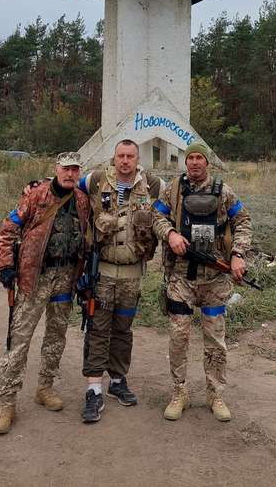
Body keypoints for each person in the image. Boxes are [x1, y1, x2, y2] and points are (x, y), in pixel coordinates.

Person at [152, 142, 252, 422]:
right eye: (190, 158)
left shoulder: (224, 191)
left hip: (215, 279)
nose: (194, 163)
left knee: (215, 340)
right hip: (181, 277)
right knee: (178, 336)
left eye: (199, 158)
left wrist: (238, 255)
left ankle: (214, 393)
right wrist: (170, 233)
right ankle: (179, 391)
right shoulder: (172, 190)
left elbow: (243, 221)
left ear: (207, 162)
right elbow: (155, 216)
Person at [0, 152, 90, 435]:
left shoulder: (82, 201)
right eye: (66, 169)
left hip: (65, 278)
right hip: (34, 279)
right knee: (19, 341)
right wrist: (6, 266)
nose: (70, 174)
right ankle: (7, 402)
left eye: (75, 170)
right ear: (56, 170)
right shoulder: (37, 195)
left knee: (56, 337)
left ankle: (45, 387)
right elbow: (8, 228)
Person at [77, 139, 164, 423]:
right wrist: (38, 186)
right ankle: (93, 389)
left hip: (131, 275)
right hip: (102, 270)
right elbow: (66, 184)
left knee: (123, 330)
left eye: (130, 156)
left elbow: (176, 201)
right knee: (98, 328)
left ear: (138, 159)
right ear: (114, 158)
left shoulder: (152, 184)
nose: (125, 161)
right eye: (120, 156)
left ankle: (117, 381)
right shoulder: (97, 179)